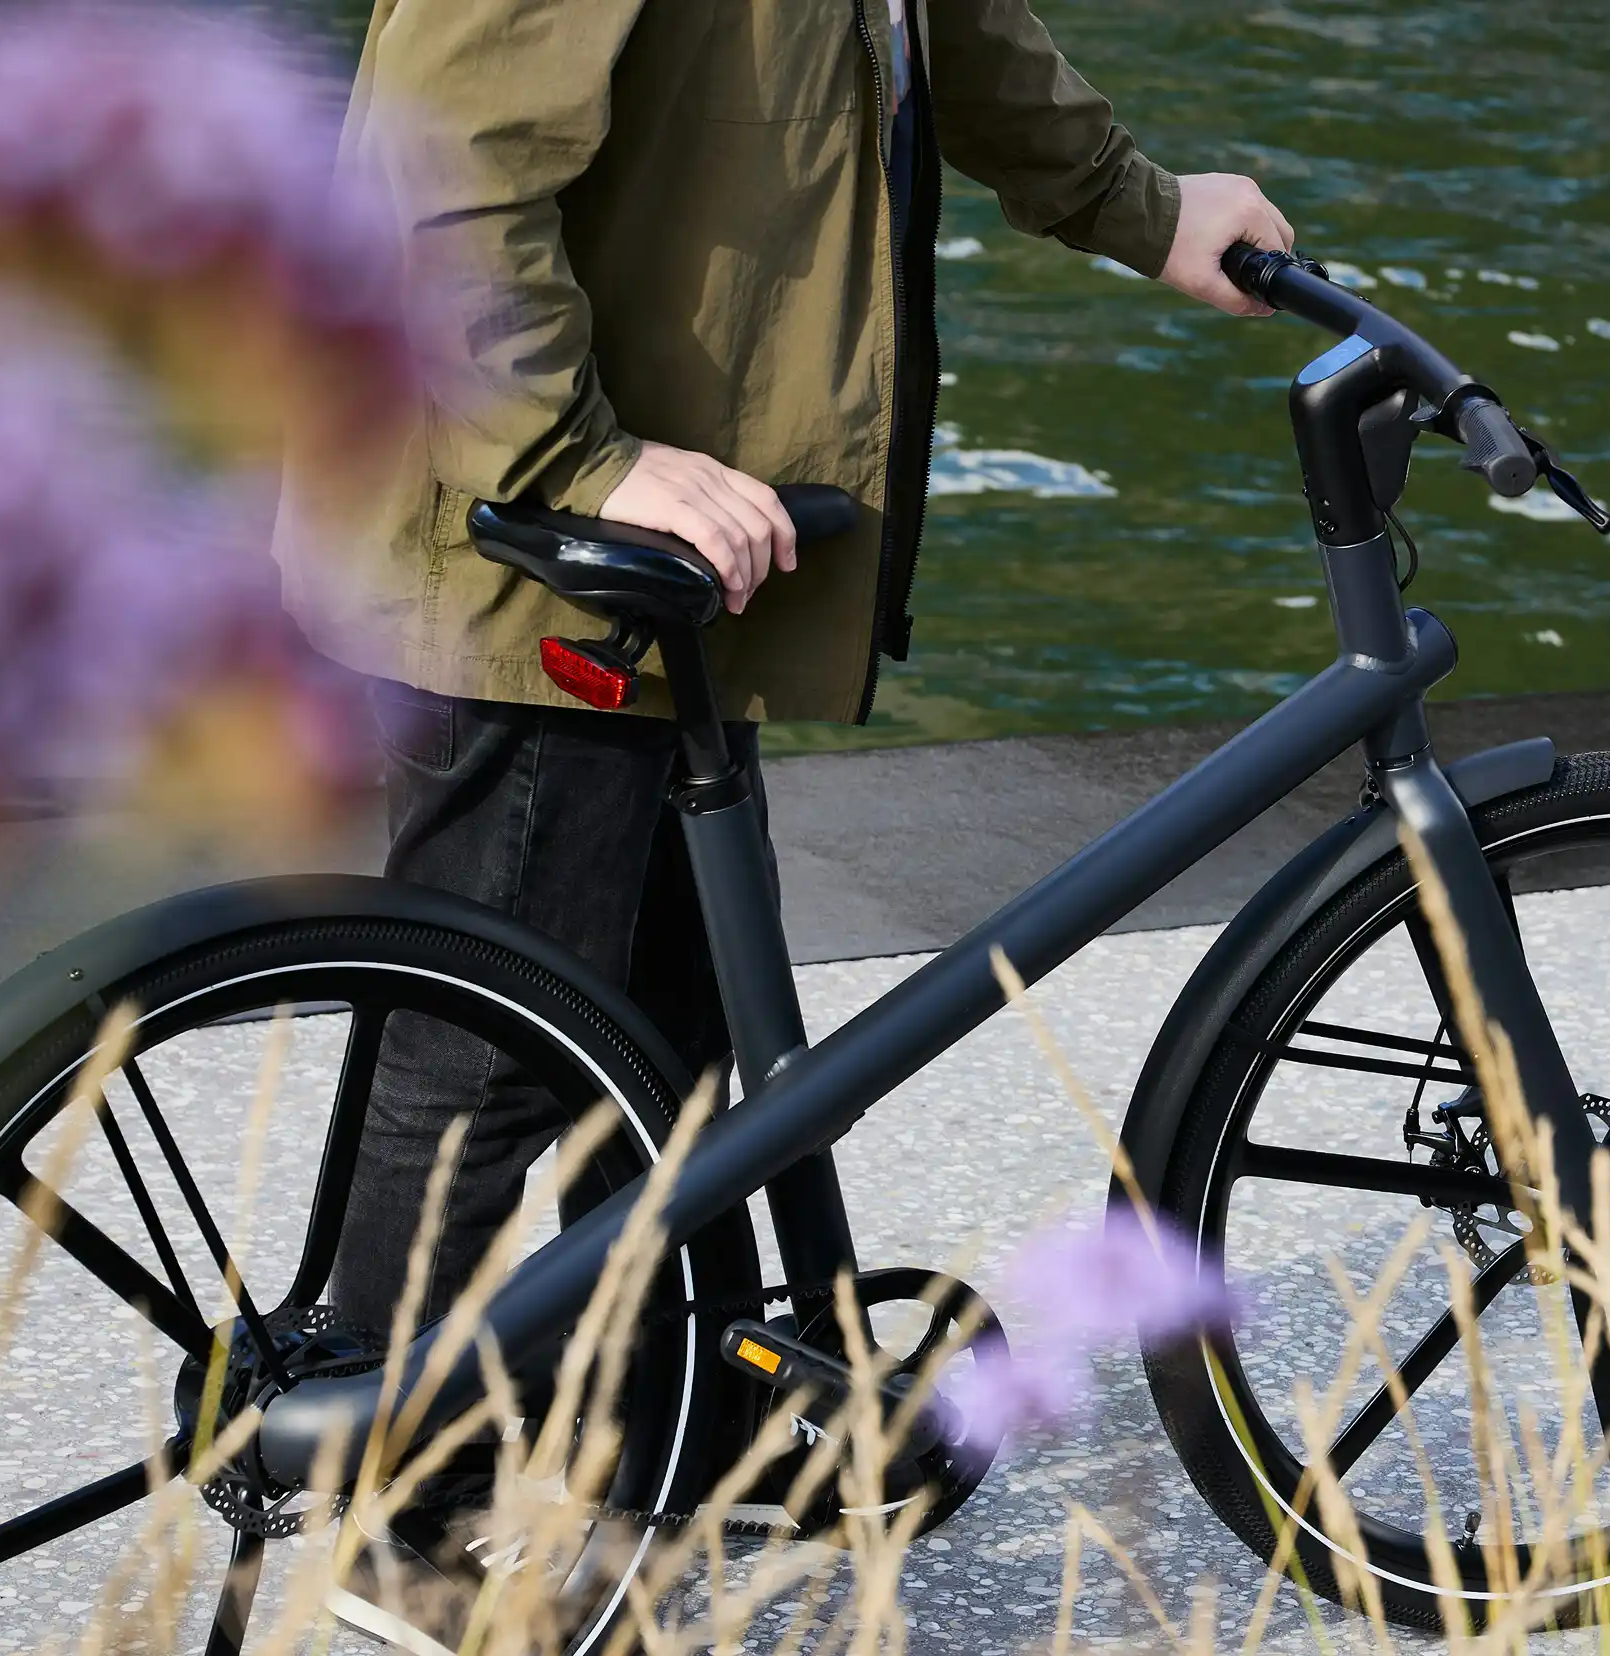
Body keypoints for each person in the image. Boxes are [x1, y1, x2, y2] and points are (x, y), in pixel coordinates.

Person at [273, 0, 1292, 1644]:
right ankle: (400, 1518)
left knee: (666, 1035)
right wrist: (579, 460)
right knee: (492, 1047)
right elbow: (435, 168)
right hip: (532, 531)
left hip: (680, 529)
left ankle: (681, 1414)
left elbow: (935, 24)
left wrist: (1144, 207)